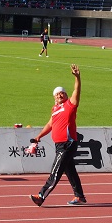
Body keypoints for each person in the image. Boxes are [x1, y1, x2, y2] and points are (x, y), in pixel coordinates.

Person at [29, 64, 87, 207]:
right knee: (70, 172)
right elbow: (50, 125)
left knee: (55, 172)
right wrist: (38, 137)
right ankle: (79, 197)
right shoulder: (55, 109)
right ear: (54, 98)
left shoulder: (70, 105)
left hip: (68, 144)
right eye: (57, 94)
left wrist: (77, 78)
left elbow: (76, 91)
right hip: (59, 144)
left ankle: (41, 196)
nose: (60, 95)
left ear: (66, 96)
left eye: (62, 93)